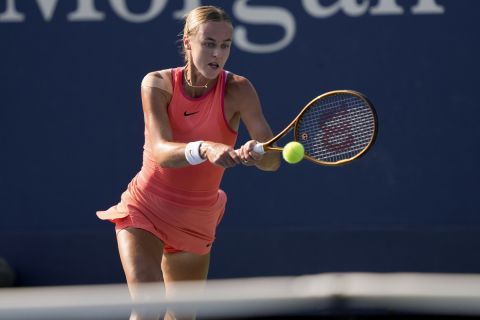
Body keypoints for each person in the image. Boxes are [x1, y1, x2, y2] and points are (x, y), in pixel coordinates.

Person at [97, 5, 280, 320]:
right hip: (147, 208)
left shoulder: (239, 89)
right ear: (187, 43)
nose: (217, 53)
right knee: (148, 309)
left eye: (225, 45)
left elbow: (272, 161)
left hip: (197, 218)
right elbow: (161, 152)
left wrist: (257, 153)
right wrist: (206, 148)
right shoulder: (157, 83)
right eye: (209, 43)